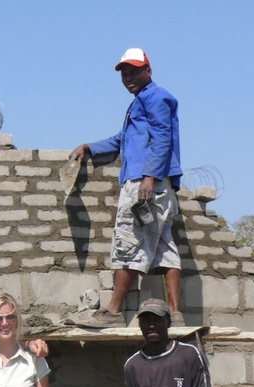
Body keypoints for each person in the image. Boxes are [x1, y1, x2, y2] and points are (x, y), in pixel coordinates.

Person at [70, 48, 184, 328]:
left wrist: (149, 176)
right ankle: (176, 314)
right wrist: (90, 148)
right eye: (124, 73)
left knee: (127, 242)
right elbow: (122, 140)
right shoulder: (141, 102)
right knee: (165, 249)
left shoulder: (155, 97)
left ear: (149, 70)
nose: (129, 77)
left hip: (144, 184)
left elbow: (162, 137)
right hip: (160, 186)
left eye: (134, 71)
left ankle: (113, 312)